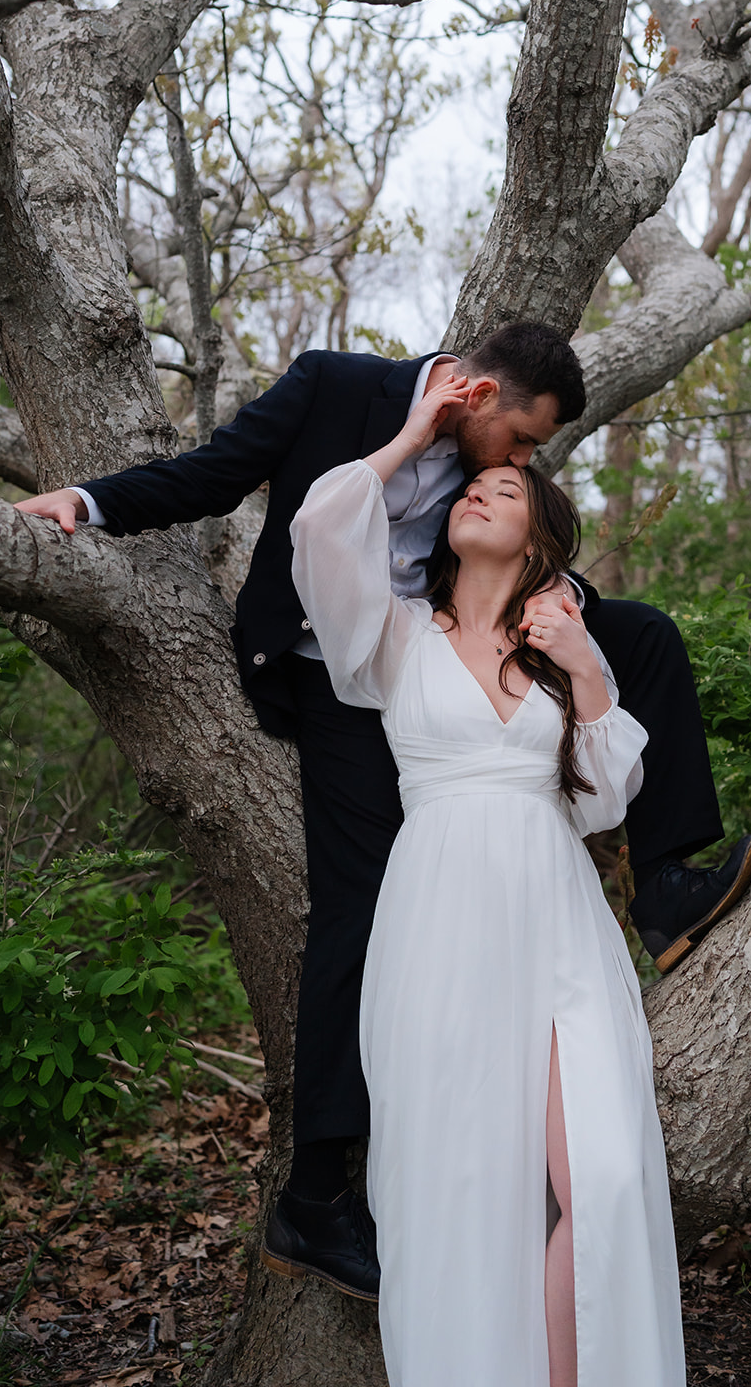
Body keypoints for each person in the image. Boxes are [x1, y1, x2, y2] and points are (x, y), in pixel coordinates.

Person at [15, 323, 751, 1300]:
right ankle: (318, 1191)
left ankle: (661, 885)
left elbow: (504, 556)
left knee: (645, 636)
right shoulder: (337, 389)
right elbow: (219, 471)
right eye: (524, 441)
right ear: (482, 392)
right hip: (346, 663)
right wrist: (87, 501)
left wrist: (563, 625)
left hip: (463, 634)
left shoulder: (490, 472)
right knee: (357, 911)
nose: (525, 461)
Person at [288, 374, 685, 1387]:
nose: (477, 495)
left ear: (540, 540)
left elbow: (601, 802)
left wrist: (585, 666)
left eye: (505, 494)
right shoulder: (392, 641)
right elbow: (325, 523)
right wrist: (418, 429)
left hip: (556, 924)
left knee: (596, 1173)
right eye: (472, 488)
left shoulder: (561, 650)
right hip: (435, 929)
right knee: (457, 1188)